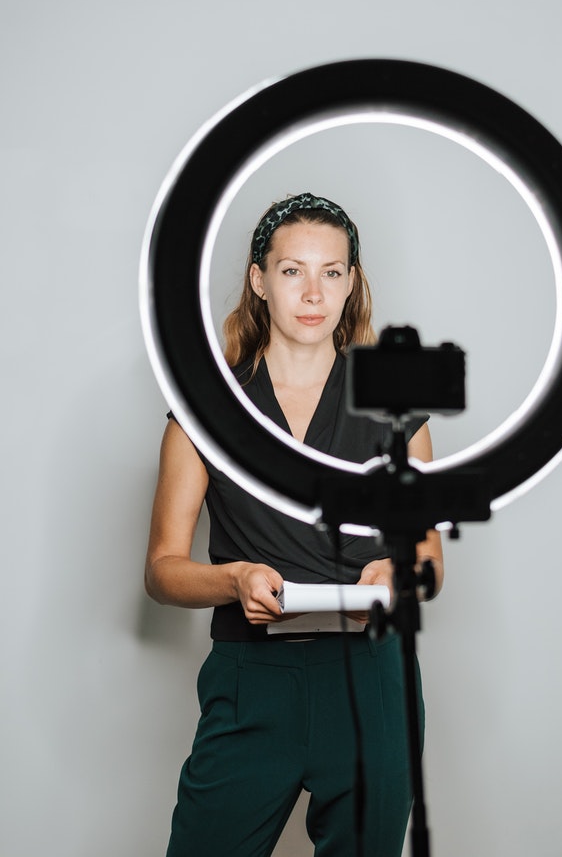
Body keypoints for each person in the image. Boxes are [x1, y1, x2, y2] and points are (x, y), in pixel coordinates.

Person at [145, 192, 444, 857]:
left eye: (332, 271)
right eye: (292, 270)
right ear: (259, 279)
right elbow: (163, 568)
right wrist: (234, 578)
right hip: (253, 679)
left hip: (372, 679)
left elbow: (428, 558)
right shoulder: (205, 409)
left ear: (351, 283)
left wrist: (398, 572)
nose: (313, 291)